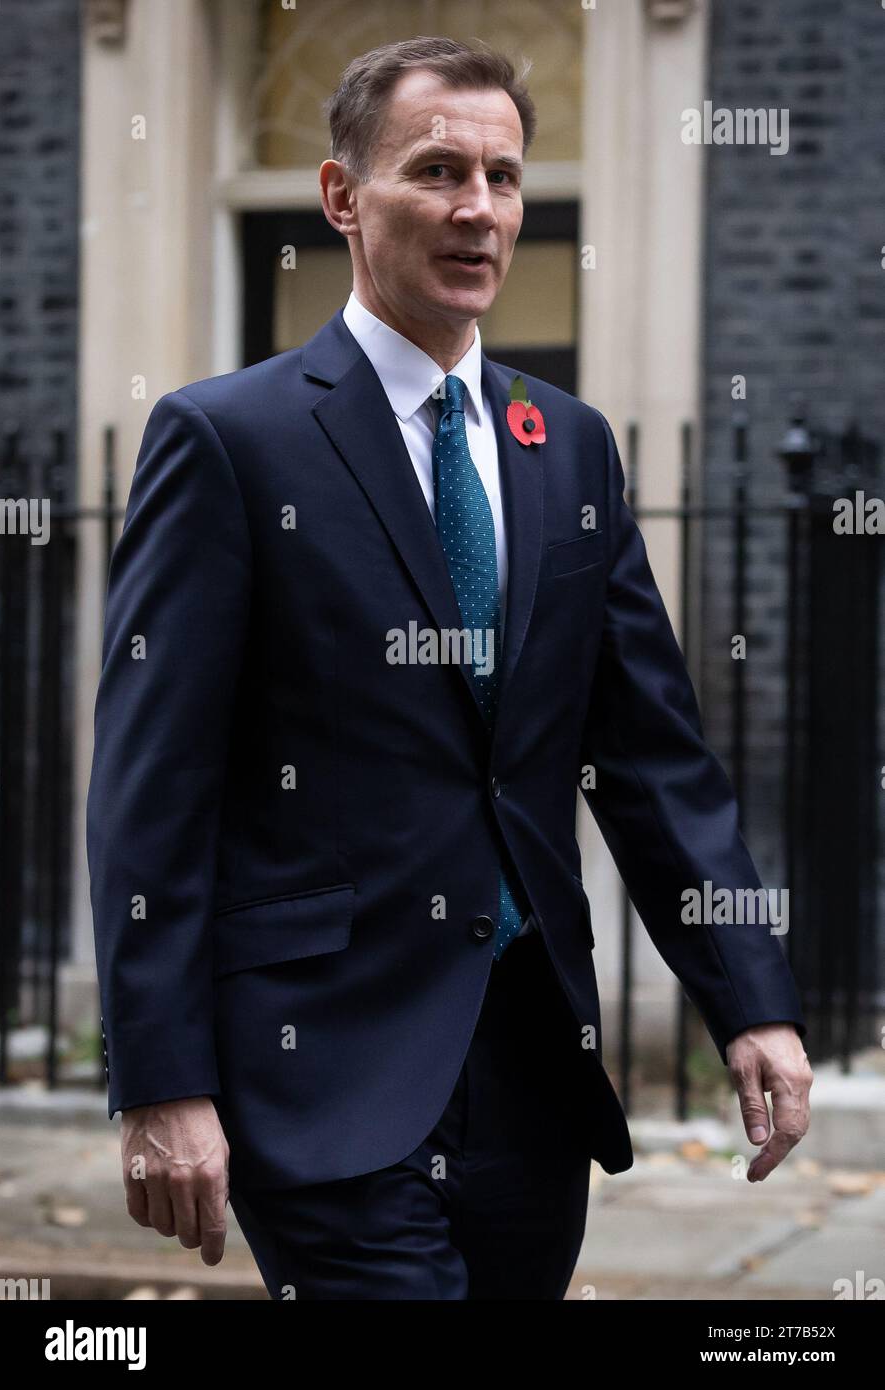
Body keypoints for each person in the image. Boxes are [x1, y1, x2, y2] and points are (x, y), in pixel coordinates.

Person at [87, 36, 812, 1301]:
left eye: (502, 177)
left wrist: (750, 999)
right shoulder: (228, 439)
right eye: (435, 170)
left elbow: (649, 757)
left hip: (529, 1065)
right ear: (341, 197)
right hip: (319, 1067)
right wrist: (161, 1077)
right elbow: (150, 788)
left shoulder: (568, 448)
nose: (479, 208)